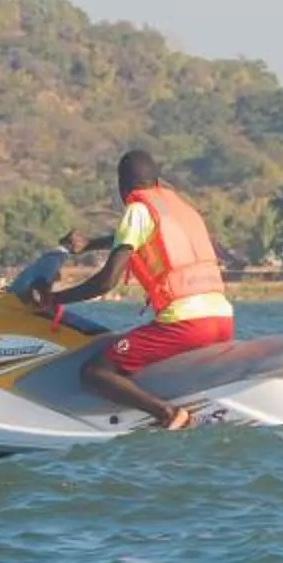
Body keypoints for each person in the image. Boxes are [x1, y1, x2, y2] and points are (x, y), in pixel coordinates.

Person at [25, 150, 232, 431]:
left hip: (186, 324)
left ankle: (168, 413)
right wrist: (89, 244)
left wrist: (54, 299)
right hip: (222, 319)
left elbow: (106, 282)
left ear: (122, 187)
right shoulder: (183, 210)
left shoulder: (138, 210)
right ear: (156, 181)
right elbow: (137, 237)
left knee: (95, 371)